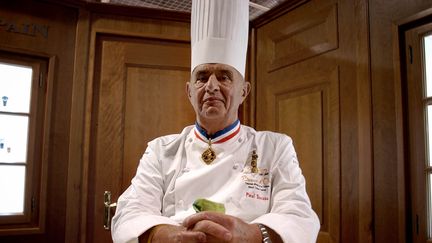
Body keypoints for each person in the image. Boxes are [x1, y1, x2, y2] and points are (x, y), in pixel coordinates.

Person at [111, 0, 320, 242]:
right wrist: (160, 235)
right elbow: (130, 211)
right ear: (190, 92)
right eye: (202, 77)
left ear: (244, 91)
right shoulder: (160, 150)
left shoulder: (274, 148)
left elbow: (299, 215)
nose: (211, 86)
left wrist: (252, 234)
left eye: (224, 76)